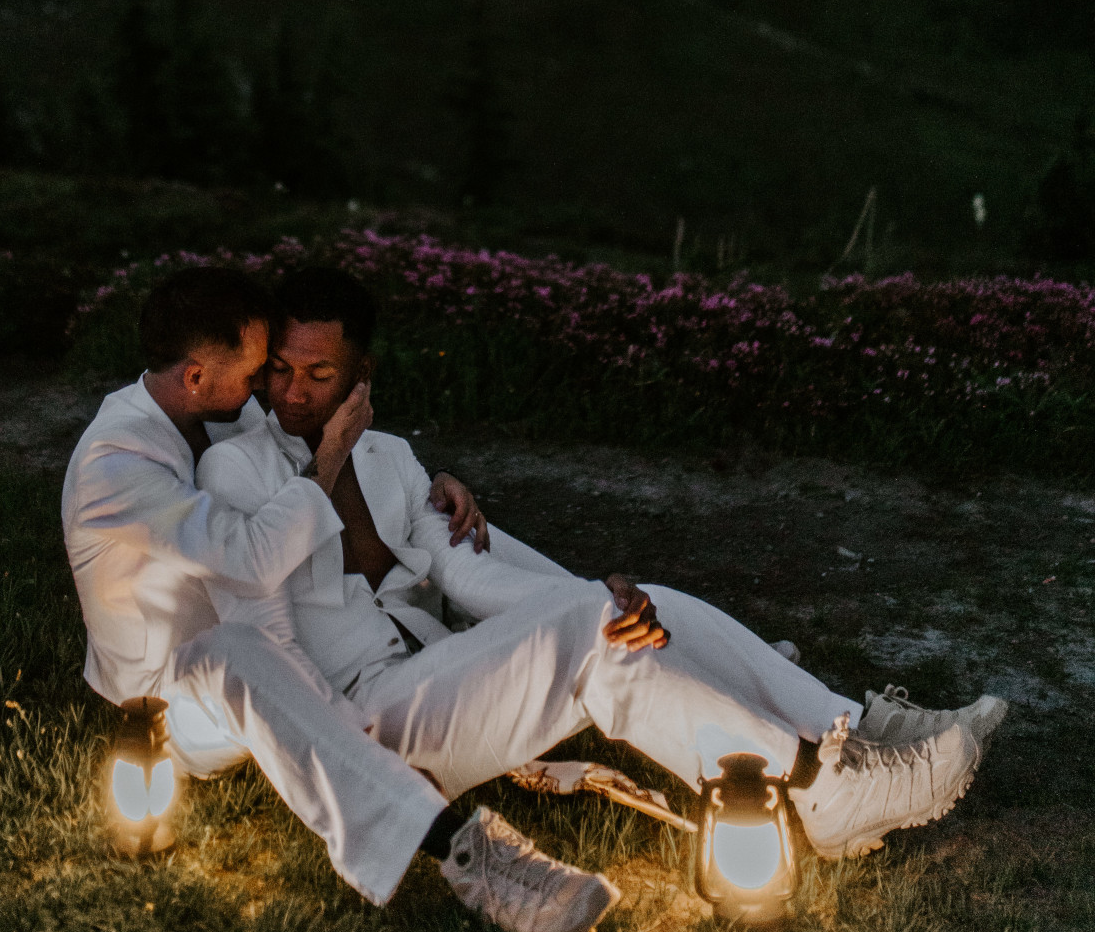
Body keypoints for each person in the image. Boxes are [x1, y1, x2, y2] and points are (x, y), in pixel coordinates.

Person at [195, 266, 1008, 862]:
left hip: (437, 677)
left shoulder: (392, 460)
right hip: (359, 725)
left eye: (319, 375)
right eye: (281, 372)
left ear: (362, 379)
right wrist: (326, 458)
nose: (292, 393)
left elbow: (470, 576)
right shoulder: (237, 473)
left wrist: (590, 601)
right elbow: (260, 619)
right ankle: (822, 791)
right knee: (607, 656)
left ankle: (854, 729)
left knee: (634, 611)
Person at [62, 265, 621, 932]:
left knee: (450, 536)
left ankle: (626, 621)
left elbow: (300, 454)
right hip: (169, 705)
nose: (270, 390)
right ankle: (469, 855)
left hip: (264, 665)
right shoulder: (115, 464)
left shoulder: (202, 404)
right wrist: (327, 459)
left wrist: (432, 484)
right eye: (259, 371)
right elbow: (255, 557)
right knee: (230, 651)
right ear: (199, 377)